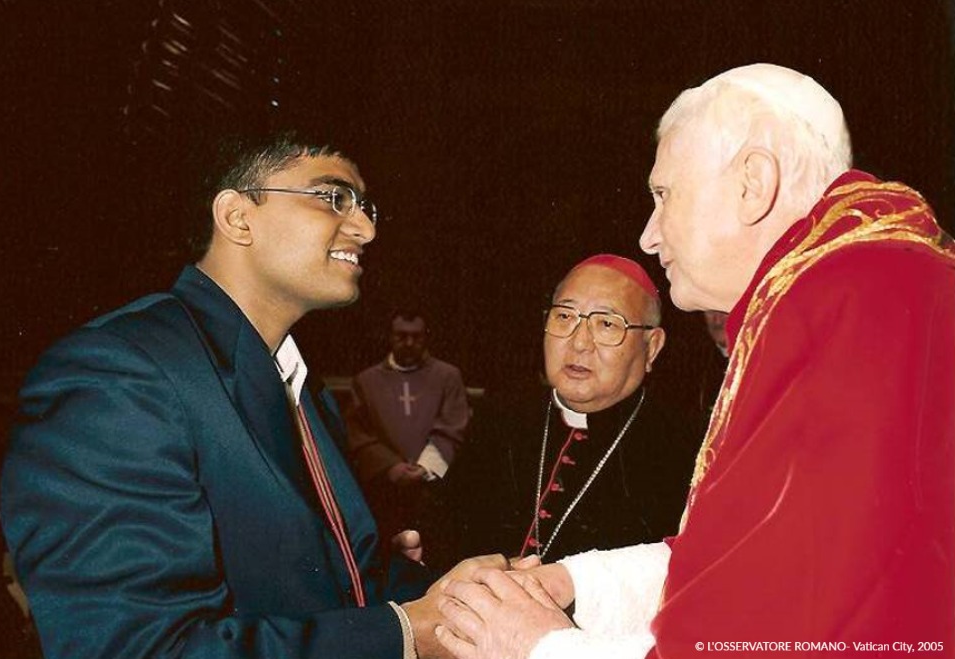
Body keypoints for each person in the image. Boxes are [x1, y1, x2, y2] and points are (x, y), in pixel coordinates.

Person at [436, 63, 955, 658]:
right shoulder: (856, 286)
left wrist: (539, 647)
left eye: (663, 195)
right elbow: (756, 559)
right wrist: (574, 582)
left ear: (751, 182)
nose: (649, 236)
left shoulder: (849, 302)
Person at [0, 129, 503, 659]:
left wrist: (467, 597)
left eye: (366, 206)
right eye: (335, 197)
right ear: (238, 217)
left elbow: (338, 587)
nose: (366, 228)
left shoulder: (298, 385)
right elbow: (136, 648)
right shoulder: (119, 371)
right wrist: (402, 634)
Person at [465, 255, 694, 562]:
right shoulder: (499, 421)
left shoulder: (686, 451)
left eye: (607, 324)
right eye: (564, 317)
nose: (579, 343)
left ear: (651, 347)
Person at [347, 310, 470, 570]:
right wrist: (390, 467)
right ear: (390, 337)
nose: (409, 343)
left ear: (426, 338)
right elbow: (358, 432)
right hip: (386, 488)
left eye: (416, 336)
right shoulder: (366, 381)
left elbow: (453, 423)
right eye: (402, 336)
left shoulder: (447, 376)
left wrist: (426, 467)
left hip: (434, 488)